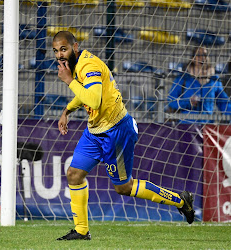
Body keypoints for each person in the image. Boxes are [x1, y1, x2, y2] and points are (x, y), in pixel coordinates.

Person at [53, 31, 195, 241]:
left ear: (75, 47)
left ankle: (181, 200)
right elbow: (87, 96)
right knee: (74, 174)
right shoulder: (76, 65)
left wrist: (68, 81)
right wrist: (67, 110)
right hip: (95, 131)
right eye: (56, 51)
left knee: (123, 188)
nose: (59, 55)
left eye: (63, 49)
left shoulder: (89, 66)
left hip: (116, 131)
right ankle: (81, 231)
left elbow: (93, 100)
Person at [167, 46, 231, 123]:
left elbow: (223, 103)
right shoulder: (183, 78)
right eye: (199, 55)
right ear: (193, 59)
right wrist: (188, 102)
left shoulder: (214, 80)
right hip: (186, 125)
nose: (202, 58)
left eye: (205, 55)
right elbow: (171, 101)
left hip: (207, 126)